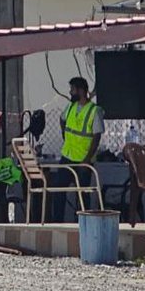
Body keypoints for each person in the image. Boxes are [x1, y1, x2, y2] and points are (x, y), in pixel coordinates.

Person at [50, 77, 104, 222]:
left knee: (83, 192)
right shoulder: (70, 106)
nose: (70, 92)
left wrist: (87, 159)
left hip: (83, 159)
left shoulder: (94, 111)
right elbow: (62, 119)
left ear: (80, 90)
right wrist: (64, 135)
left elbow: (96, 136)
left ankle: (83, 221)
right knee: (59, 188)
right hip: (67, 156)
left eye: (73, 89)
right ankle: (57, 221)